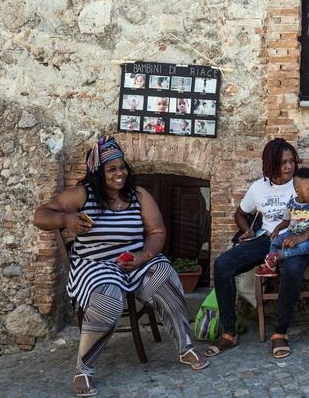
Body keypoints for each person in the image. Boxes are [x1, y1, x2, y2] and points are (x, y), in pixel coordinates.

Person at [33, 136, 208, 396]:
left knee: (166, 276)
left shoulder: (138, 195)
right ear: (98, 173)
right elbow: (40, 215)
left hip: (135, 261)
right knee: (108, 298)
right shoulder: (83, 194)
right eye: (111, 169)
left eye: (122, 167)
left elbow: (157, 231)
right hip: (94, 264)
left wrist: (143, 255)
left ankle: (185, 347)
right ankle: (84, 368)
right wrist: (67, 218)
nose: (120, 173)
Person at [207, 138, 309, 359]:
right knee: (223, 265)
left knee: (293, 269)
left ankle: (280, 332)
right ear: (270, 164)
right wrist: (247, 230)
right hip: (268, 239)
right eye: (283, 162)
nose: (289, 166)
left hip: (300, 241)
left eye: (291, 161)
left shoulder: (305, 183)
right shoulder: (258, 187)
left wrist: (304, 235)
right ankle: (228, 333)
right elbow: (240, 213)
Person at [255, 167, 309, 277]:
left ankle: (279, 256)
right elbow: (286, 221)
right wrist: (277, 229)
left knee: (303, 247)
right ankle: (272, 265)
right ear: (298, 191)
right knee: (275, 242)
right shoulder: (291, 203)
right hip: (291, 233)